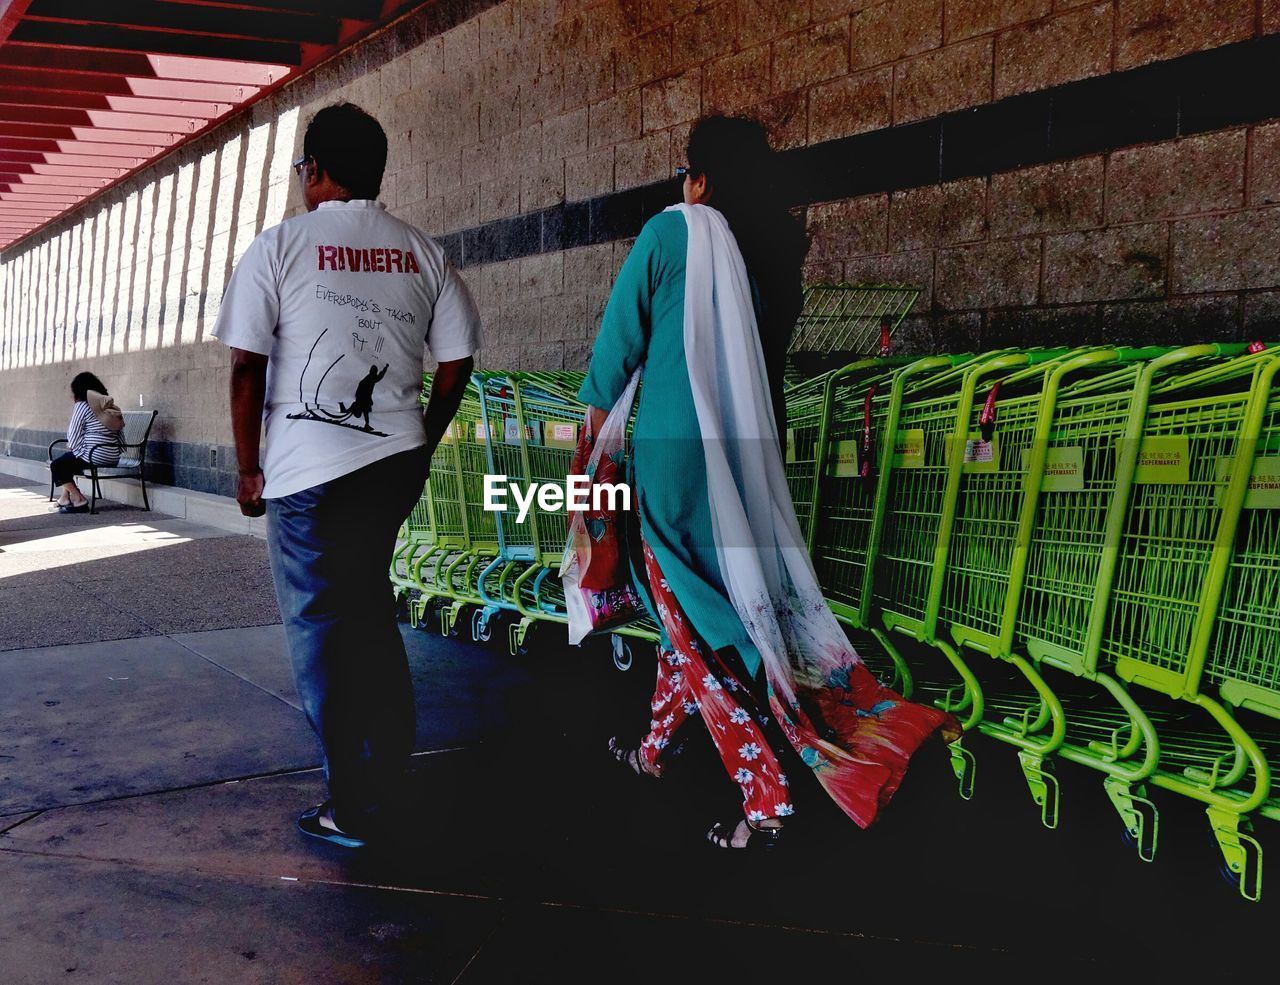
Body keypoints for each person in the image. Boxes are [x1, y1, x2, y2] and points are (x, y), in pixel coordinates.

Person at [580, 115, 959, 849]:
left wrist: (588, 450)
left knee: (691, 622)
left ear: (700, 180)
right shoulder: (765, 259)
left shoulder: (671, 233)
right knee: (690, 612)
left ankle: (767, 797)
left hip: (673, 460)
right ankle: (655, 750)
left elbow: (615, 349)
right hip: (749, 455)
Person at [213, 103, 481, 849]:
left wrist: (246, 469)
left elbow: (244, 366)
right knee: (368, 610)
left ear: (317, 171)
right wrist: (424, 432)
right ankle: (387, 774)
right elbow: (457, 357)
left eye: (303, 168)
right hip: (391, 467)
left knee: (322, 628)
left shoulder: (280, 247)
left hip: (306, 477)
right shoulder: (421, 251)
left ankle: (355, 803)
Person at [50, 371, 124, 514]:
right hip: (113, 455)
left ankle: (79, 499)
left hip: (94, 454)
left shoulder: (82, 406)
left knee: (57, 465)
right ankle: (64, 498)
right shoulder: (109, 406)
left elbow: (73, 435)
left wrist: (74, 447)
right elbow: (120, 432)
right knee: (69, 462)